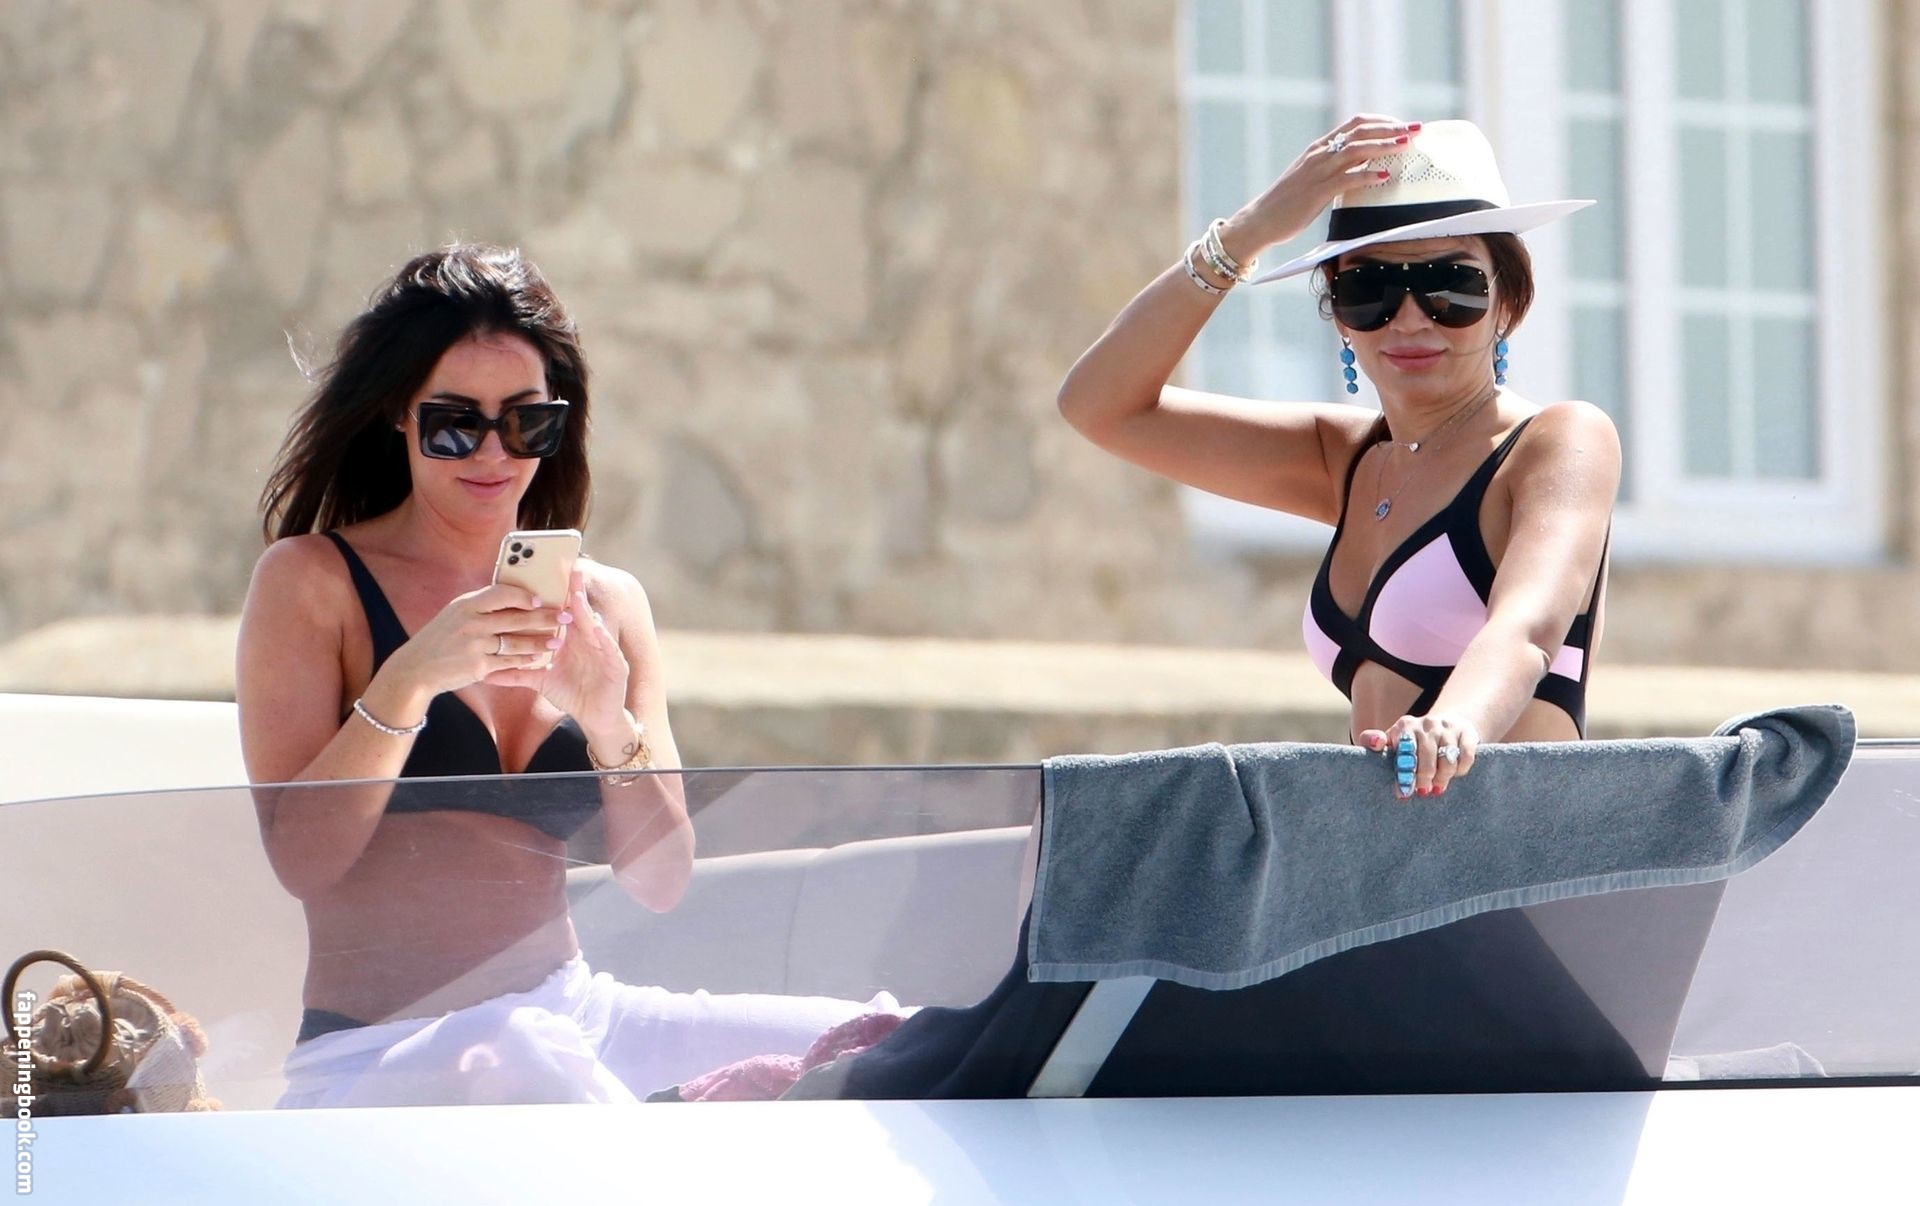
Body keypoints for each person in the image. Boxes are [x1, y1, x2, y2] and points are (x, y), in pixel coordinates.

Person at [238, 244, 891, 1107]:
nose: (493, 452)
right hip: (382, 1051)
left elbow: (661, 881)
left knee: (890, 1040)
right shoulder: (312, 582)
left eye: (526, 422)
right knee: (524, 1055)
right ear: (398, 415)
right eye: (454, 423)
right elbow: (303, 864)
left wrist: (607, 719)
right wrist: (407, 683)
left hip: (579, 1017)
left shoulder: (609, 603)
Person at [1058, 118, 1617, 797]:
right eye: (1370, 289)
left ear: (1509, 303)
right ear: (1339, 317)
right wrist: (1246, 234)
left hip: (1523, 858)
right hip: (1373, 861)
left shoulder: (1557, 441)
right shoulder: (1344, 459)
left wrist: (1454, 726)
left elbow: (1527, 630)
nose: (1409, 318)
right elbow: (1099, 406)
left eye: (1452, 284)